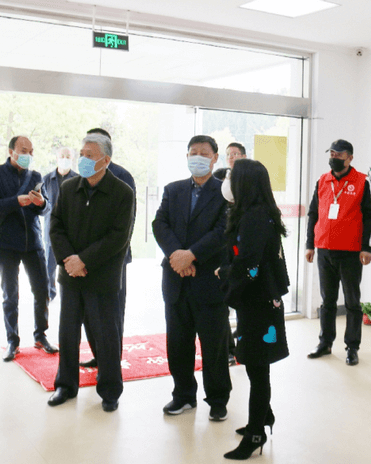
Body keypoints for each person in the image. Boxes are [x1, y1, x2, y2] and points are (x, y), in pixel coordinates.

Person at [46, 133, 134, 412]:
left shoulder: (122, 192)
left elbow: (118, 237)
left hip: (102, 276)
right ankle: (65, 385)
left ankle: (110, 390)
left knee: (106, 335)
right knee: (68, 333)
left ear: (105, 160)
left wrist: (84, 260)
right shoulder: (69, 187)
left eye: (89, 155)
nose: (82, 160)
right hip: (71, 275)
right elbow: (56, 226)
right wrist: (69, 260)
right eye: (81, 154)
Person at [153, 135, 232, 422]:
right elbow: (159, 224)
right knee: (178, 343)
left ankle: (218, 399)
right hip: (176, 279)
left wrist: (192, 255)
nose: (197, 157)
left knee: (214, 345)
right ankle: (183, 395)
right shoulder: (173, 190)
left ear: (215, 158)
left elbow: (223, 231)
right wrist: (177, 255)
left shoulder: (225, 192)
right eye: (192, 152)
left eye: (204, 153)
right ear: (186, 156)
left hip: (209, 280)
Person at [216, 159, 290, 460]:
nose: (227, 182)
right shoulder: (251, 212)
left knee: (257, 369)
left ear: (244, 183)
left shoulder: (256, 217)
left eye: (232, 176)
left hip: (259, 302)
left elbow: (250, 264)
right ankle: (263, 416)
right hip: (257, 299)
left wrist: (225, 275)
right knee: (254, 364)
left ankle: (256, 434)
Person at [0, 135, 58, 361]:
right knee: (10, 295)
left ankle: (41, 335)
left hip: (33, 242)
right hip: (5, 244)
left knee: (42, 290)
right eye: (24, 150)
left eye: (31, 151)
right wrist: (17, 201)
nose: (28, 155)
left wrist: (41, 203)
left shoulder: (35, 176)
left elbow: (45, 208)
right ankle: (12, 341)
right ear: (11, 151)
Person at [305, 139, 371, 365]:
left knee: (352, 301)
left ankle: (352, 347)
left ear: (350, 158)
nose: (334, 158)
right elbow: (313, 213)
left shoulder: (362, 181)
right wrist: (309, 244)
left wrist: (366, 247)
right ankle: (325, 343)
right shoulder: (322, 180)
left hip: (351, 252)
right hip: (324, 249)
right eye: (332, 154)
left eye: (339, 154)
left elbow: (370, 216)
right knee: (327, 301)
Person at [78, 127, 137, 369]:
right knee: (88, 312)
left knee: (112, 312)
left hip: (114, 257)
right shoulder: (81, 177)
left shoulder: (122, 177)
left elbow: (126, 224)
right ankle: (98, 354)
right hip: (85, 258)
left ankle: (112, 359)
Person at [214, 142, 247, 366]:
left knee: (242, 301)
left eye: (236, 153)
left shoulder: (250, 177)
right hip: (222, 246)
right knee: (222, 303)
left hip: (242, 247)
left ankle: (242, 345)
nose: (232, 157)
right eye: (229, 154)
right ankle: (228, 349)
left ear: (244, 156)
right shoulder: (219, 176)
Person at [42, 146, 76, 301]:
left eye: (68, 156)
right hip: (51, 232)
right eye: (62, 156)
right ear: (56, 158)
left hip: (71, 233)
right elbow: (41, 207)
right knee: (49, 267)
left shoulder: (78, 179)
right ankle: (49, 295)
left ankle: (69, 296)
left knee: (69, 266)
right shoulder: (46, 180)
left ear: (72, 159)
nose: (65, 159)